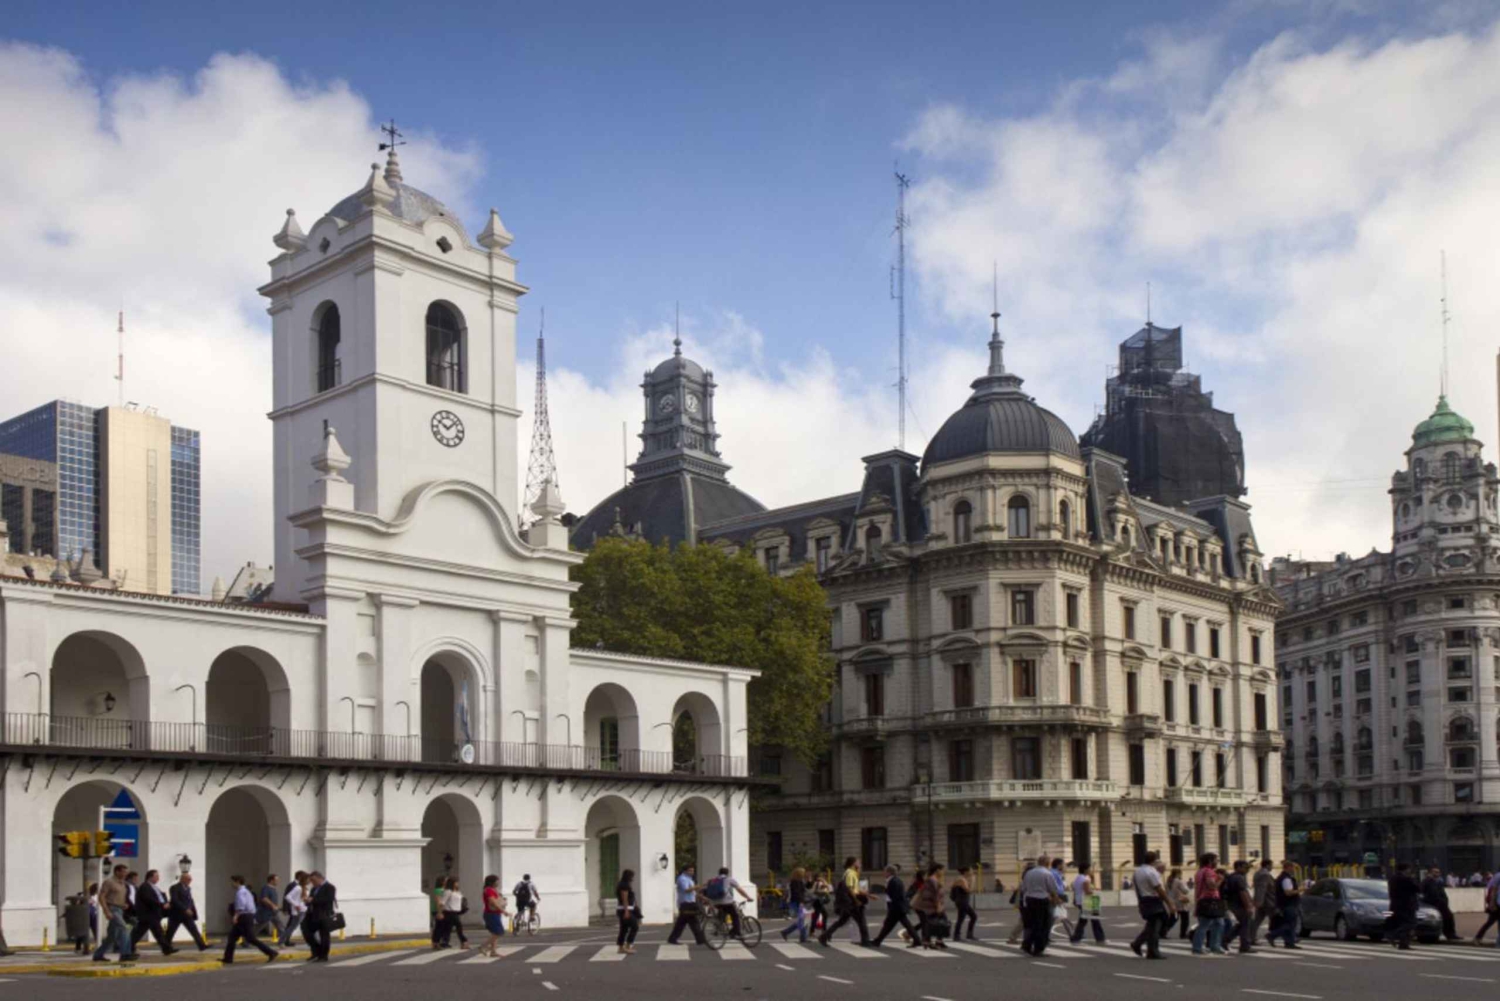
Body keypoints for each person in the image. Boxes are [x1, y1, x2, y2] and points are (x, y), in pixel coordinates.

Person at [222, 874, 279, 964]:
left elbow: (241, 906)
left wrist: (236, 916)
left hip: (243, 917)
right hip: (248, 916)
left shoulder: (240, 892)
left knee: (250, 938)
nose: (231, 884)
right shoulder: (247, 891)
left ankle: (271, 952)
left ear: (237, 882)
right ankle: (228, 958)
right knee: (232, 937)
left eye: (232, 882)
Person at [1130, 851, 1174, 960]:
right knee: (1155, 927)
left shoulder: (1137, 872)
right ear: (1154, 860)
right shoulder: (1151, 872)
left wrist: (1140, 901)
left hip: (1144, 899)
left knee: (1151, 925)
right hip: (1153, 900)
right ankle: (1152, 951)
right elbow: (1159, 889)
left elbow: (1137, 888)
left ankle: (1138, 944)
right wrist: (1169, 903)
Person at [819, 857, 870, 947]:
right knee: (861, 921)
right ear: (853, 863)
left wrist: (868, 895)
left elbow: (854, 888)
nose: (860, 864)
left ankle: (824, 936)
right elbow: (850, 888)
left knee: (842, 921)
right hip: (852, 901)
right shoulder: (850, 873)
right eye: (858, 862)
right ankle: (865, 941)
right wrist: (857, 900)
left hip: (849, 901)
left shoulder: (851, 872)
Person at [870, 865, 919, 948]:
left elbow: (895, 896)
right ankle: (878, 941)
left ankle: (877, 941)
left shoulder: (894, 881)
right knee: (894, 925)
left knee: (889, 925)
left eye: (885, 871)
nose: (883, 873)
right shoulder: (894, 880)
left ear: (889, 872)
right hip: (897, 907)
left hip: (896, 908)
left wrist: (892, 907)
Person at [92, 864, 133, 963]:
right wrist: (106, 911)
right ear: (117, 872)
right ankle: (125, 954)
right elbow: (101, 897)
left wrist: (123, 904)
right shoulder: (109, 882)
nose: (125, 874)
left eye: (126, 872)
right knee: (124, 928)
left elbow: (118, 896)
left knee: (112, 936)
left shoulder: (123, 883)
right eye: (123, 872)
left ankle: (98, 954)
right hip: (112, 909)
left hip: (120, 909)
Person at [1021, 854, 1060, 957]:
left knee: (1033, 924)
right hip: (1042, 900)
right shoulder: (1047, 873)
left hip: (1029, 899)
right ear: (1047, 863)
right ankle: (1038, 948)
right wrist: (1056, 900)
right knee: (1044, 925)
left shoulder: (1029, 873)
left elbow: (1023, 888)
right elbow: (1053, 889)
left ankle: (1027, 944)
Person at [130, 869, 176, 955]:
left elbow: (160, 897)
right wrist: (162, 905)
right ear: (150, 877)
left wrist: (165, 904)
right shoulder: (145, 886)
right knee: (152, 932)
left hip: (153, 914)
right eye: (156, 876)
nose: (158, 878)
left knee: (155, 932)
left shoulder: (154, 887)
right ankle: (167, 949)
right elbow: (149, 899)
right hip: (148, 914)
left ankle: (167, 949)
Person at [1191, 853, 1228, 956]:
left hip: (1203, 899)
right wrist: (1220, 880)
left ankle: (1214, 946)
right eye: (1216, 860)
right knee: (1205, 925)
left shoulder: (1199, 871)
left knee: (1219, 923)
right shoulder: (1209, 871)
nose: (1217, 862)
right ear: (1210, 861)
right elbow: (1212, 886)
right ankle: (1198, 947)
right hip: (1210, 900)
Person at [705, 866, 754, 939]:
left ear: (719, 873)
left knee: (722, 913)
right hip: (726, 902)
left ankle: (718, 927)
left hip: (715, 902)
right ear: (727, 873)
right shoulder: (729, 879)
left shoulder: (713, 880)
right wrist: (748, 897)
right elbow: (740, 890)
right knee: (735, 916)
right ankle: (736, 933)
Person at [165, 872, 208, 951]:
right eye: (188, 879)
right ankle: (166, 948)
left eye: (190, 879)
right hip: (176, 914)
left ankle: (202, 945)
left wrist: (192, 910)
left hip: (186, 915)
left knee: (194, 930)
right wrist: (185, 909)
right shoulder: (174, 888)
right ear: (182, 879)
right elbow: (175, 900)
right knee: (170, 932)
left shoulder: (188, 888)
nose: (190, 881)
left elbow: (190, 900)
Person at [667, 864, 707, 946]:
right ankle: (700, 940)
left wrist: (702, 897)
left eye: (693, 870)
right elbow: (686, 890)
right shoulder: (682, 879)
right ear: (685, 871)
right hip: (686, 903)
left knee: (682, 923)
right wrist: (699, 886)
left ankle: (672, 938)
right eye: (690, 870)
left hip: (690, 903)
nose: (692, 872)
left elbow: (692, 892)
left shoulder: (689, 879)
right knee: (694, 922)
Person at [1267, 860, 1301, 949]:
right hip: (1288, 904)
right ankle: (1272, 935)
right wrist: (1301, 889)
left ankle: (1289, 942)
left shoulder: (1283, 877)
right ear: (1288, 867)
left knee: (1289, 923)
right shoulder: (1286, 878)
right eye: (1293, 868)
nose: (1294, 870)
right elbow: (1288, 893)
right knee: (1290, 924)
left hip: (1284, 904)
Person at [913, 863, 948, 949]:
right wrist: (938, 906)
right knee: (936, 922)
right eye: (942, 870)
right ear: (937, 870)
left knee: (935, 922)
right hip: (929, 906)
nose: (943, 872)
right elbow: (933, 895)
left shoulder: (935, 879)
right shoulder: (932, 880)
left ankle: (933, 941)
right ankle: (930, 941)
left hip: (932, 905)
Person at [1387, 862, 1421, 950]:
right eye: (1409, 869)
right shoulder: (1406, 879)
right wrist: (1413, 879)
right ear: (1405, 869)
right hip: (1406, 905)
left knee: (1404, 923)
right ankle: (1394, 935)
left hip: (1395, 904)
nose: (1410, 870)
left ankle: (1403, 944)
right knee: (1411, 923)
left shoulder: (1392, 878)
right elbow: (1417, 888)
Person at [304, 871, 337, 962]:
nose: (312, 883)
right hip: (312, 914)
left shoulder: (330, 887)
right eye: (311, 881)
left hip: (324, 914)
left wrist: (313, 900)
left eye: (313, 880)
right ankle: (316, 951)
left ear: (320, 878)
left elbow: (328, 899)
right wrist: (307, 901)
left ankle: (323, 955)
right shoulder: (314, 888)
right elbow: (311, 899)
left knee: (324, 935)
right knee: (307, 931)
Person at [1069, 863, 1105, 944]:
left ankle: (1076, 938)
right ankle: (1100, 938)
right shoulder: (1085, 879)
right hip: (1088, 901)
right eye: (1089, 869)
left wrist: (1074, 900)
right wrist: (1095, 891)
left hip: (1080, 900)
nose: (1090, 870)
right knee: (1094, 920)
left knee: (1083, 920)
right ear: (1085, 870)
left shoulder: (1077, 878)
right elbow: (1088, 891)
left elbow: (1076, 890)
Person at [1224, 860, 1255, 954]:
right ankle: (1244, 945)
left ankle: (1226, 939)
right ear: (1238, 867)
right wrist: (1248, 906)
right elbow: (1242, 892)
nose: (1247, 870)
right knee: (1245, 924)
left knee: (1241, 924)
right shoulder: (1239, 878)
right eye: (1246, 868)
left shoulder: (1231, 876)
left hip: (1232, 904)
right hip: (1239, 904)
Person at [1421, 866, 1460, 941]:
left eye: (1438, 872)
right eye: (1435, 872)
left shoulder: (1437, 881)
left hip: (1440, 902)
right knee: (1447, 916)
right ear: (1430, 872)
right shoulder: (1428, 881)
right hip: (1435, 903)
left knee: (1448, 917)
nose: (1437, 873)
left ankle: (1449, 933)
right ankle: (1449, 933)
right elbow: (1429, 893)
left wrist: (1444, 900)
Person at [779, 867, 810, 943]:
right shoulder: (795, 882)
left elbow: (804, 890)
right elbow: (797, 893)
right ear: (799, 874)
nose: (804, 874)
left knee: (803, 920)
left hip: (799, 902)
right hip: (797, 902)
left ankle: (786, 932)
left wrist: (808, 881)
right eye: (803, 872)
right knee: (803, 920)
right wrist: (801, 902)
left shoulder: (800, 881)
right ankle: (802, 938)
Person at [480, 874, 508, 958]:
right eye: (497, 881)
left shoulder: (493, 890)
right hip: (491, 914)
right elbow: (493, 902)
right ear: (492, 882)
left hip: (494, 913)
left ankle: (493, 951)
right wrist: (503, 911)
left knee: (494, 933)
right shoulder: (489, 890)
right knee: (499, 932)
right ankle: (483, 946)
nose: (498, 882)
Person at [1248, 860, 1275, 944]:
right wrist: (1259, 901)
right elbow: (1262, 888)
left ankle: (1251, 938)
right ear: (1267, 865)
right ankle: (1273, 936)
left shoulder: (1258, 873)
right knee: (1275, 919)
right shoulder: (1265, 874)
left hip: (1262, 900)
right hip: (1267, 901)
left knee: (1257, 920)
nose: (1272, 867)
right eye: (1271, 865)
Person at [1049, 858, 1074, 940]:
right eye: (1063, 864)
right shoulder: (1054, 873)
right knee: (1062, 916)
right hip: (1056, 896)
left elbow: (1062, 885)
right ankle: (1072, 934)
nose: (1065, 866)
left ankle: (1046, 935)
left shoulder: (1058, 873)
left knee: (1055, 916)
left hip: (1059, 895)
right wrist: (1056, 897)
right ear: (1058, 865)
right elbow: (1054, 886)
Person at [439, 877, 468, 949]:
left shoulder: (457, 892)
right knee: (458, 927)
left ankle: (445, 942)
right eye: (456, 882)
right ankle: (464, 942)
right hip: (449, 912)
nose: (457, 884)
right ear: (452, 883)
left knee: (448, 928)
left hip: (456, 912)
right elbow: (442, 903)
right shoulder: (448, 892)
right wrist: (440, 913)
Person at [615, 868, 639, 954]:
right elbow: (624, 898)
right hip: (625, 910)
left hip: (624, 909)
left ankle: (621, 947)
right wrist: (626, 911)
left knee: (624, 929)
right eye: (632, 876)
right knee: (635, 926)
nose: (632, 878)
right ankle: (627, 945)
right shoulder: (624, 885)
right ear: (628, 876)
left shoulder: (623, 884)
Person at [951, 867, 978, 941]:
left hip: (961, 901)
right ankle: (959, 935)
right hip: (962, 902)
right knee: (971, 917)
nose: (972, 872)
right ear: (966, 872)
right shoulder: (961, 879)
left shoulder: (961, 879)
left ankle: (961, 935)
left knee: (966, 918)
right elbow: (968, 890)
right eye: (971, 870)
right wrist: (973, 880)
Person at [281, 872, 307, 948]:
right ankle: (285, 940)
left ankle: (286, 940)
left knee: (292, 926)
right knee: (291, 925)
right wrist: (285, 908)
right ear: (299, 876)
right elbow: (286, 896)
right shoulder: (292, 885)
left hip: (300, 909)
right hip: (294, 909)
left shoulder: (301, 885)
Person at [255, 874, 284, 943]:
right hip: (266, 913)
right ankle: (246, 940)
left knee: (280, 927)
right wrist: (273, 905)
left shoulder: (273, 889)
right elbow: (264, 898)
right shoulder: (266, 888)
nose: (277, 882)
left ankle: (283, 941)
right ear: (271, 880)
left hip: (273, 913)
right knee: (258, 927)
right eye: (276, 880)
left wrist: (278, 907)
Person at [1476, 869, 1500, 943]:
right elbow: (1493, 890)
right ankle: (1478, 937)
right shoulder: (1498, 876)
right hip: (1497, 904)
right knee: (1490, 922)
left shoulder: (1496, 876)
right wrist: (1492, 903)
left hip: (1496, 903)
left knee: (1490, 922)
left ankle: (1478, 937)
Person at [1167, 868, 1192, 939]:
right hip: (1181, 902)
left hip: (1172, 901)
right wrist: (1188, 886)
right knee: (1185, 919)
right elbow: (1185, 891)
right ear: (1178, 873)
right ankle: (1183, 934)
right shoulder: (1179, 881)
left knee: (1173, 918)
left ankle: (1163, 931)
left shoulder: (1169, 881)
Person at [429, 876, 446, 944]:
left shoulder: (443, 889)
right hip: (437, 910)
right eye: (445, 880)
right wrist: (439, 912)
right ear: (442, 882)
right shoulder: (438, 890)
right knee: (439, 926)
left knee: (441, 926)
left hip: (441, 909)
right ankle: (436, 941)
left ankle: (438, 941)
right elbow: (438, 901)